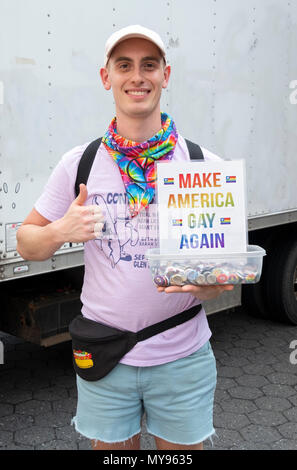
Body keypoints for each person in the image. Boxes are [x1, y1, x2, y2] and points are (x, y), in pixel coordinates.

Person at [16, 25, 234, 451]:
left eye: (149, 65)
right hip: (106, 353)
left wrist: (213, 287)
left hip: (182, 356)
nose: (138, 76)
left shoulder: (203, 166)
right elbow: (27, 242)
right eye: (124, 66)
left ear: (165, 76)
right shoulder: (79, 163)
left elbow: (220, 275)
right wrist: (62, 230)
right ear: (106, 77)